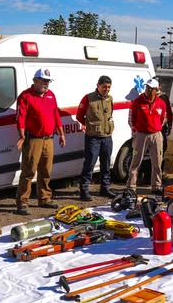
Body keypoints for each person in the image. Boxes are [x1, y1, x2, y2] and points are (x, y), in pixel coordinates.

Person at [14, 68, 65, 215]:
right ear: (35, 81)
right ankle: (22, 202)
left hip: (48, 139)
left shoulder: (50, 95)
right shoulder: (25, 96)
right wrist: (22, 136)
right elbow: (20, 117)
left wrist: (61, 134)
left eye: (48, 81)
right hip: (33, 139)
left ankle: (45, 198)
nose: (46, 84)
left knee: (46, 170)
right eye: (43, 81)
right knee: (28, 171)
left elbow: (56, 114)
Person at [76, 75, 116, 201]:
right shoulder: (89, 98)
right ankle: (84, 190)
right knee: (89, 164)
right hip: (93, 138)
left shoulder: (110, 99)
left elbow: (110, 114)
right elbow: (79, 115)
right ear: (98, 85)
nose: (106, 89)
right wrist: (89, 126)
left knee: (106, 164)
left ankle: (105, 188)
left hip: (107, 137)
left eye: (109, 87)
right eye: (104, 87)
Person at [126, 78, 167, 194]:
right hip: (141, 135)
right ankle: (131, 186)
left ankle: (156, 186)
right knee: (136, 161)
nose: (147, 90)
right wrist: (135, 131)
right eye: (146, 88)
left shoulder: (161, 103)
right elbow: (131, 118)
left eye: (150, 88)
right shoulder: (137, 101)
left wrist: (156, 127)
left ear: (156, 90)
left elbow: (163, 118)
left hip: (156, 135)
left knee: (157, 161)